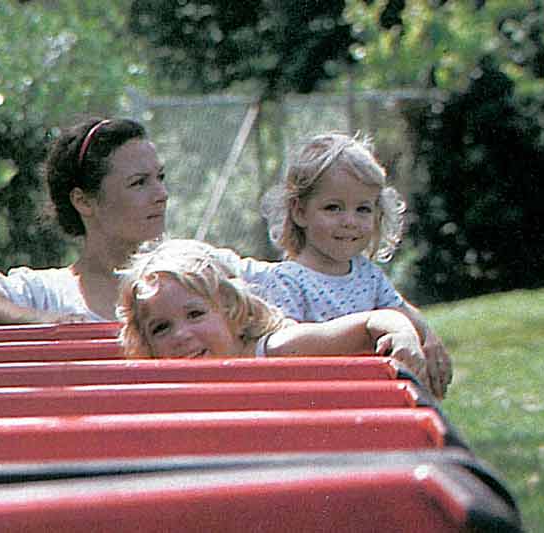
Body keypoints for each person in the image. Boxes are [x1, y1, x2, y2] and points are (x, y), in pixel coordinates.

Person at [256, 131, 451, 395]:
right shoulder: (286, 280)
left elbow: (402, 311)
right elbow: (284, 348)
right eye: (333, 208)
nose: (349, 221)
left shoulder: (368, 275)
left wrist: (428, 338)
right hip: (316, 403)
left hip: (370, 395)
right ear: (300, 212)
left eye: (363, 209)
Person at [116, 239, 441, 396]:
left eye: (195, 314)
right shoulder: (162, 388)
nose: (181, 335)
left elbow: (372, 322)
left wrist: (403, 335)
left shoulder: (271, 350)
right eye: (161, 327)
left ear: (231, 309)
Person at [0, 117, 168, 325]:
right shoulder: (48, 294)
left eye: (160, 177)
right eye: (139, 182)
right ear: (83, 201)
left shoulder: (183, 282)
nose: (162, 194)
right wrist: (42, 320)